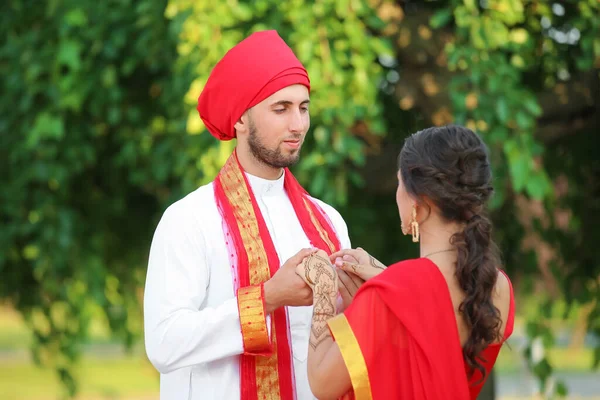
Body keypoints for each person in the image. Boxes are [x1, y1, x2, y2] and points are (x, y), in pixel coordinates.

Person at [143, 30, 351, 400]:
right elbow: (163, 343)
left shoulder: (328, 222)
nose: (298, 125)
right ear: (240, 119)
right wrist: (268, 297)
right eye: (281, 108)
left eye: (303, 107)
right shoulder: (189, 220)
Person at [296, 125, 515, 399]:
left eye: (400, 182)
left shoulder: (392, 292)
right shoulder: (498, 286)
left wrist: (324, 288)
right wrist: (383, 283)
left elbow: (322, 383)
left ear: (416, 200)